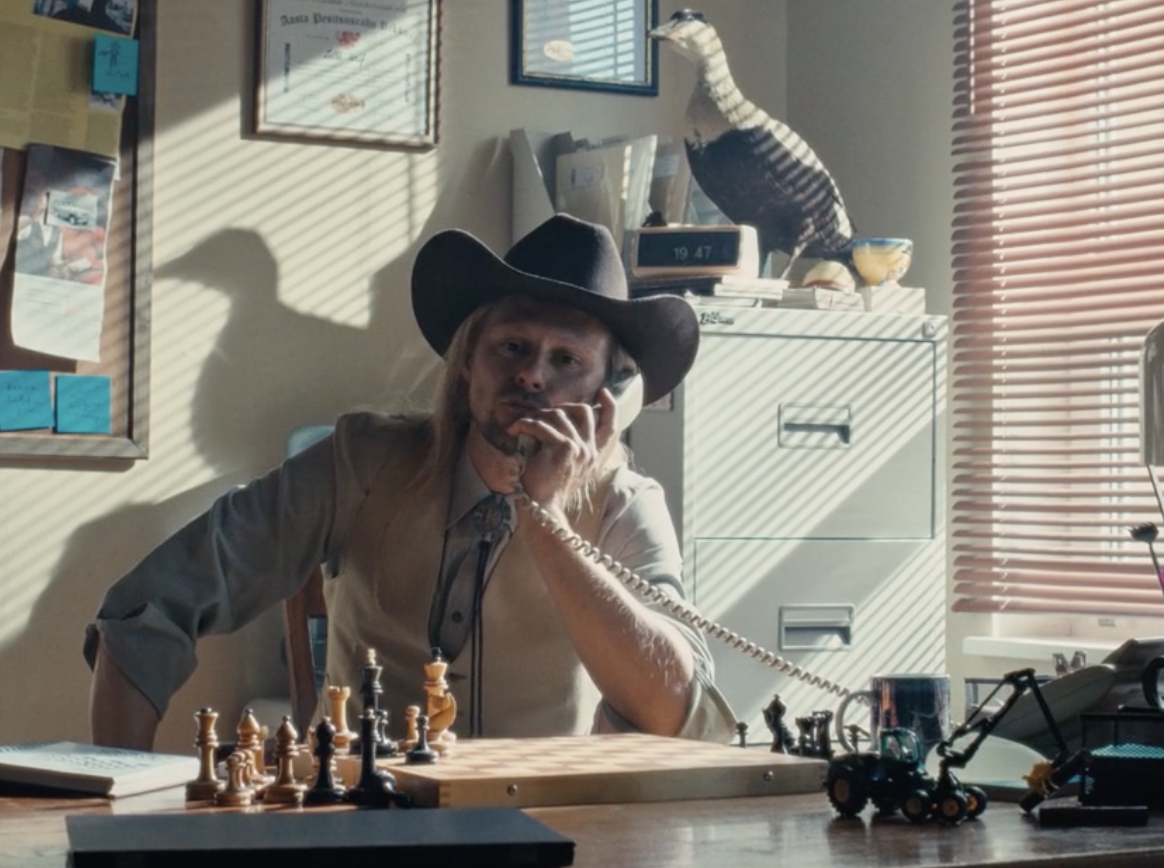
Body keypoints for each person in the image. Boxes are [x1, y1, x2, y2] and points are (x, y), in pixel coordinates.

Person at [86, 217, 734, 747]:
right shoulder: (361, 463)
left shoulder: (624, 504)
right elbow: (147, 607)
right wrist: (121, 811)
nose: (533, 376)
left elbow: (676, 710)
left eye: (566, 359)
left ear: (608, 395)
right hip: (358, 827)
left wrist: (547, 514)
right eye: (511, 347)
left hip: (544, 837)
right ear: (467, 362)